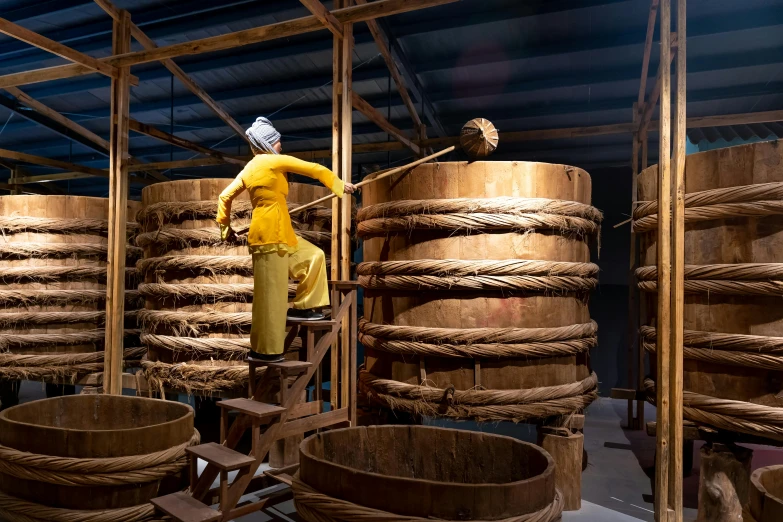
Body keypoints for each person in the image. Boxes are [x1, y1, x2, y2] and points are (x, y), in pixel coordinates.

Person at [216, 117, 356, 363]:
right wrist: (339, 185)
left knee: (313, 256)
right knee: (271, 296)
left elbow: (224, 197)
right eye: (278, 141)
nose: (281, 145)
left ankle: (306, 307)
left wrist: (225, 228)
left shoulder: (249, 169)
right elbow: (314, 169)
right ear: (269, 143)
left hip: (283, 233)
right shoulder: (272, 161)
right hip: (268, 236)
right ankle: (264, 351)